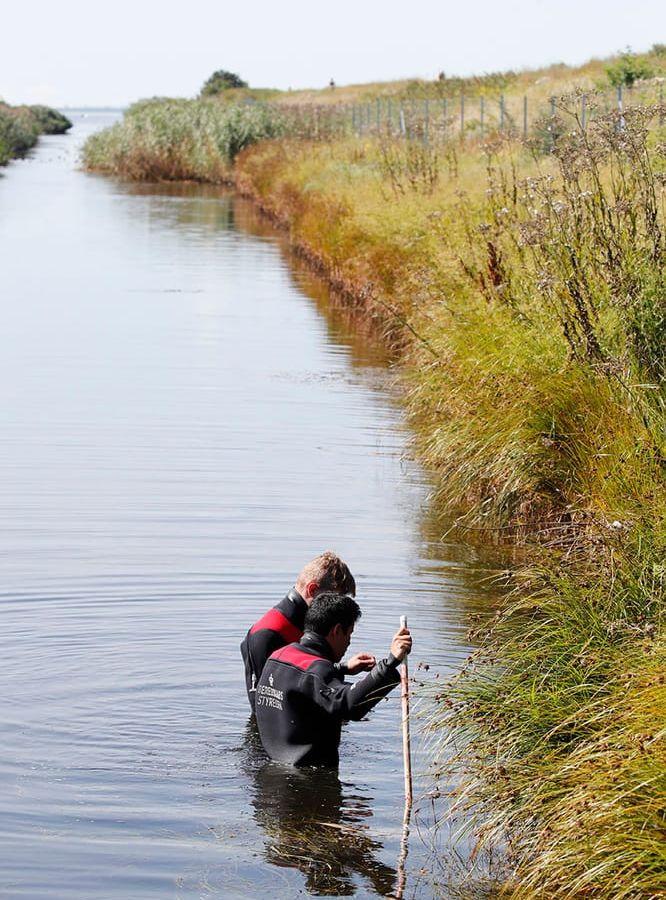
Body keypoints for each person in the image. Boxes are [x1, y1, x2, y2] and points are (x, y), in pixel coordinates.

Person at [255, 592, 412, 767]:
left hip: (272, 775)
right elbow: (348, 705)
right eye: (349, 634)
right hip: (307, 782)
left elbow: (304, 681)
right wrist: (390, 663)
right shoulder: (317, 670)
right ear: (337, 630)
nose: (349, 643)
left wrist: (342, 668)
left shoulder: (278, 656)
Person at [240, 552, 373, 711]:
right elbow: (265, 704)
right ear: (312, 589)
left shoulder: (308, 625)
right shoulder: (267, 634)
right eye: (335, 599)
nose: (338, 608)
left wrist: (343, 668)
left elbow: (300, 678)